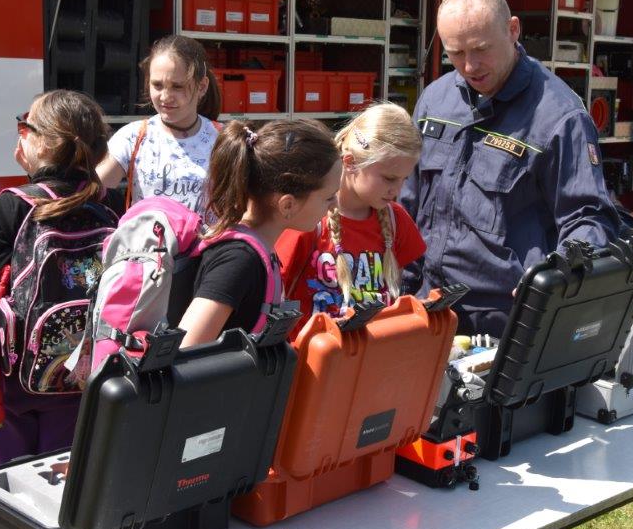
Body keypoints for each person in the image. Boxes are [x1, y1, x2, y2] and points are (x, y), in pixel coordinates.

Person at [401, 0, 621, 338]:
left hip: (505, 325)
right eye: (455, 53)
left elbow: (589, 218)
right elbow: (405, 203)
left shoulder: (560, 117)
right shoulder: (434, 101)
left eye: (481, 49)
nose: (470, 66)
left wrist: (557, 273)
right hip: (427, 309)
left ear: (513, 30)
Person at [0, 90, 123, 467]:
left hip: (14, 383)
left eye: (25, 127)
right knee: (65, 483)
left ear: (47, 143)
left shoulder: (14, 205)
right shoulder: (109, 204)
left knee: (5, 487)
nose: (20, 135)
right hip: (83, 377)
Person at [170, 119, 341, 348]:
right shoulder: (238, 261)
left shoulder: (258, 250)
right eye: (329, 197)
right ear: (287, 205)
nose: (335, 204)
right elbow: (187, 348)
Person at [275, 103, 426, 335]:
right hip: (312, 364)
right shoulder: (308, 219)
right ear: (350, 162)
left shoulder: (396, 220)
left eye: (404, 179)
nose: (397, 190)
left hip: (372, 362)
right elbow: (275, 292)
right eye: (389, 178)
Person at [97, 34, 222, 210]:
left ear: (202, 86)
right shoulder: (133, 137)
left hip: (207, 238)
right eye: (157, 85)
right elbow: (93, 191)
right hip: (148, 238)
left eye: (177, 86)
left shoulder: (223, 139)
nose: (165, 97)